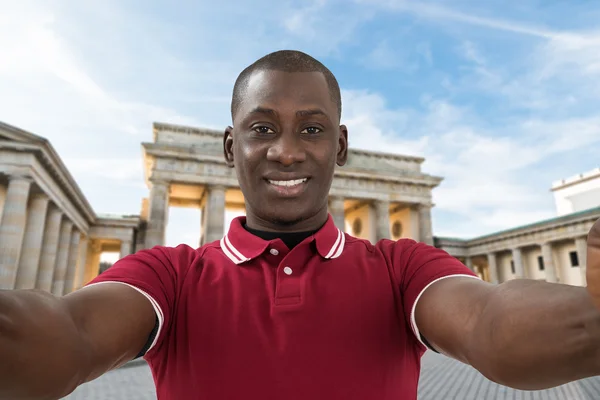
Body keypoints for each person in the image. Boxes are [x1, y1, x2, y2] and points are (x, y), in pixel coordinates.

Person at [1, 50, 599, 400]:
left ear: (339, 147)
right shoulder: (170, 275)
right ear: (230, 147)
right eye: (263, 129)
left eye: (311, 129)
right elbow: (69, 336)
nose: (287, 151)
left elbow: (492, 325)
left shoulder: (402, 268)